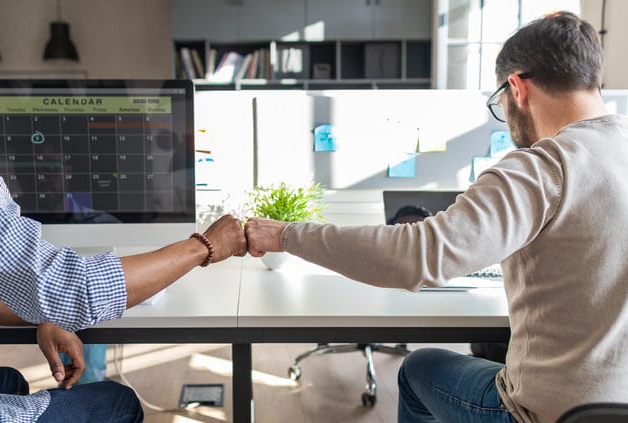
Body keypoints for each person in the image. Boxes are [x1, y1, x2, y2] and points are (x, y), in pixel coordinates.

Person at [245, 11, 627, 423]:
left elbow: (417, 257)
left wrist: (284, 234)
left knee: (417, 369)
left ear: (516, 87)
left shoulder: (541, 169)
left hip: (548, 415)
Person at [0, 31, 246, 422]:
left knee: (9, 380)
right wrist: (206, 244)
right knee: (117, 402)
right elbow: (77, 290)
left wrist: (41, 310)